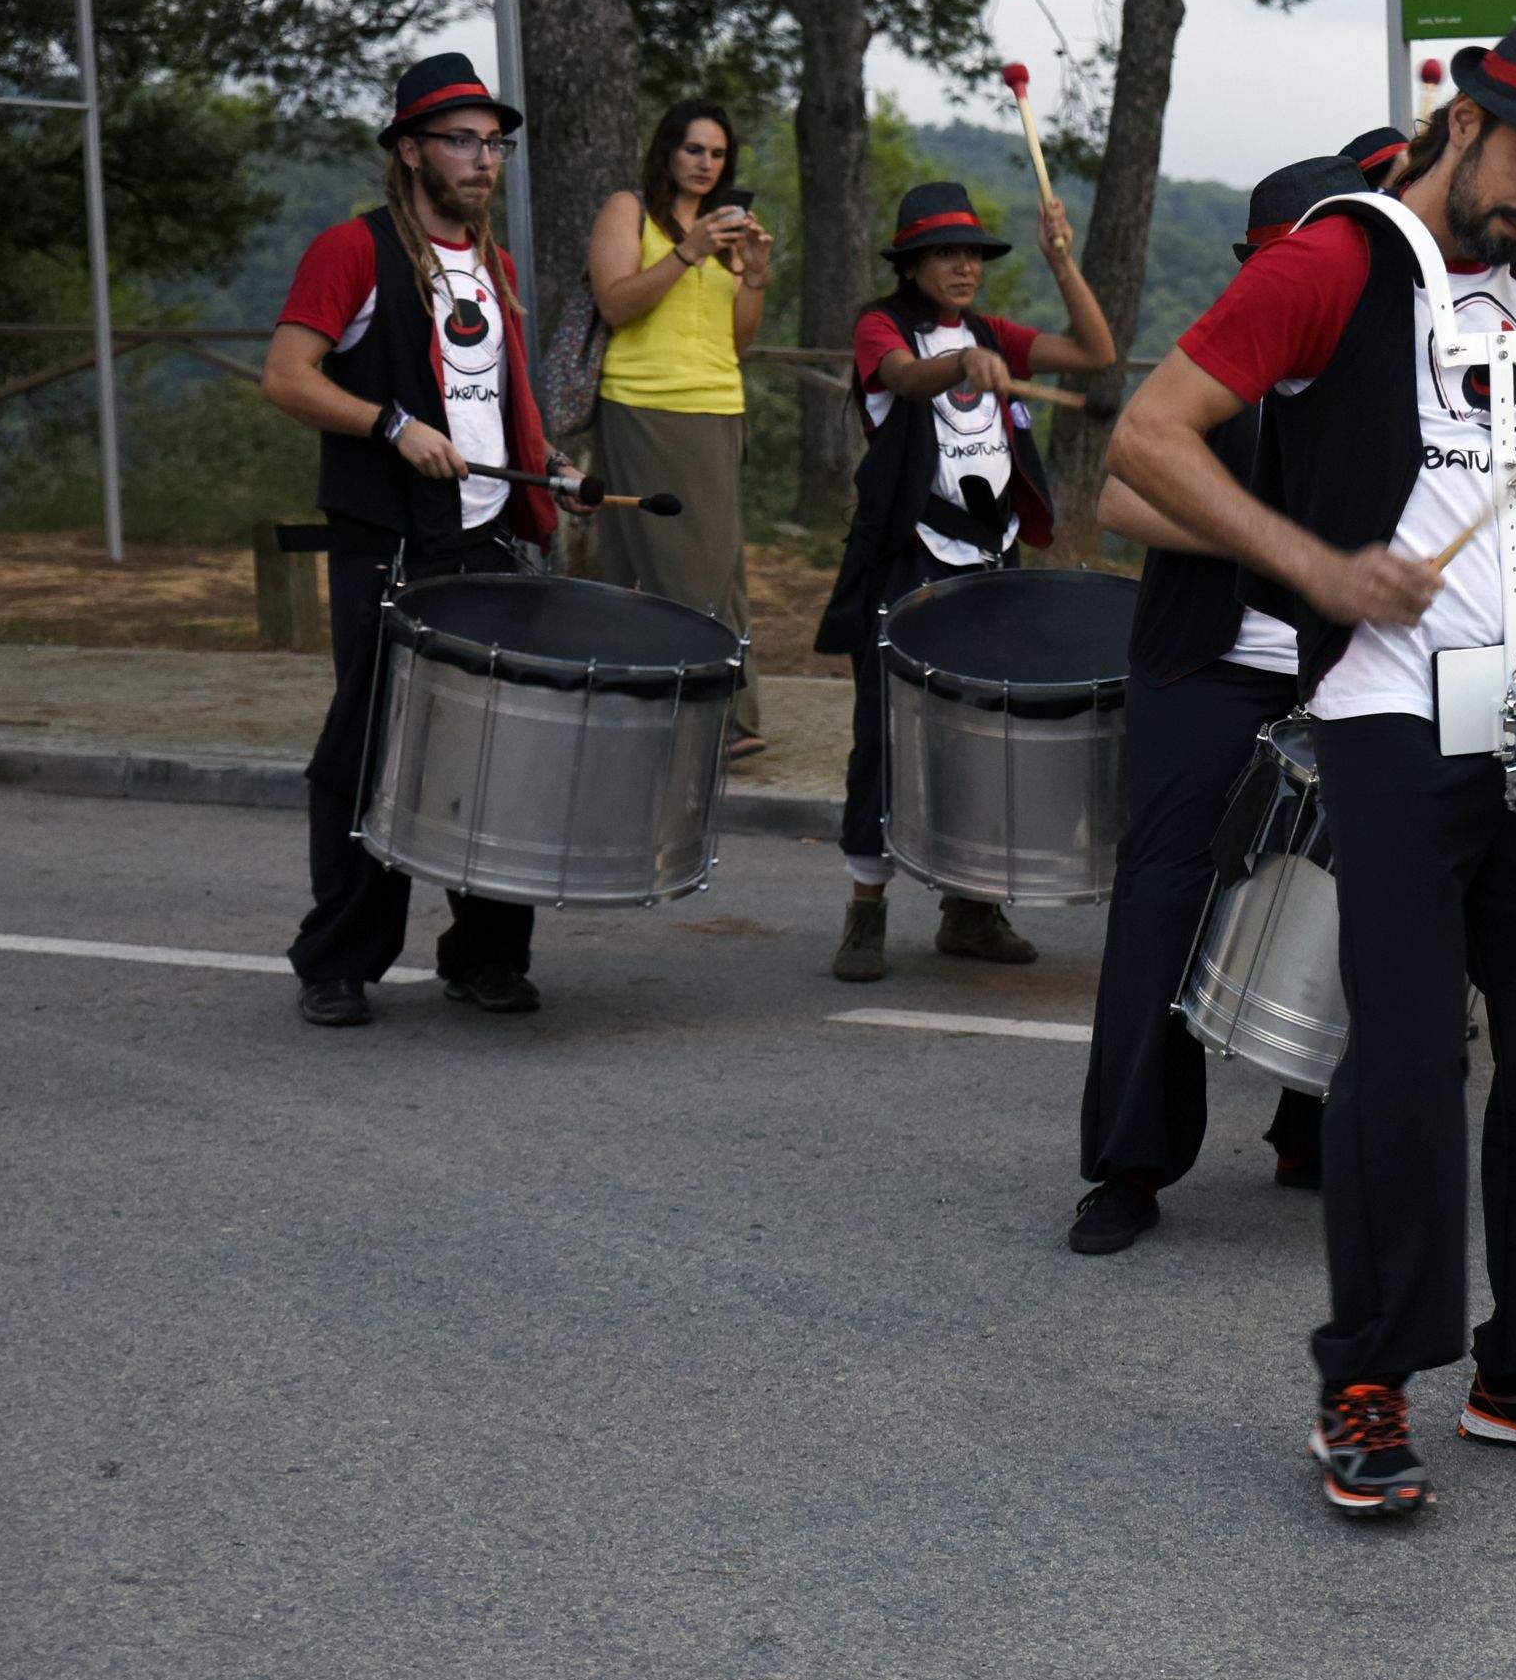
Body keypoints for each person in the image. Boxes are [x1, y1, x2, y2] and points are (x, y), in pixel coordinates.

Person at [1109, 6, 1516, 1520]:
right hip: (1387, 714)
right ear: (1462, 120)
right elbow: (1147, 439)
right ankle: (1366, 1378)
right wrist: (1313, 563)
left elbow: (1505, 460)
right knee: (1411, 1058)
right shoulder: (1333, 263)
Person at [1067, 158, 1351, 1256]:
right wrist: (1264, 541)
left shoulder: (1389, 372)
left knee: (1350, 905)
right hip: (1209, 662)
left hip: (1342, 673)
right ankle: (1129, 1165)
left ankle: (1312, 1126)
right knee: (1163, 896)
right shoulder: (1220, 354)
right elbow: (1116, 495)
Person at [259, 54, 578, 1026]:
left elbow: (490, 406)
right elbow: (287, 376)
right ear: (408, 150)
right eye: (461, 140)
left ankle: (486, 956)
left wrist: (551, 465)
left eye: (494, 143)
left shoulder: (495, 266)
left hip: (487, 543)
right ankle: (338, 961)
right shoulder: (352, 250)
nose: (483, 159)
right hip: (391, 545)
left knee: (495, 756)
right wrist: (389, 425)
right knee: (368, 755)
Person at [813, 180, 1120, 982]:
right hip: (911, 557)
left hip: (993, 560)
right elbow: (901, 377)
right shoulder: (882, 326)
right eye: (944, 253)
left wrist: (1062, 263)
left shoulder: (994, 334)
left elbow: (1096, 352)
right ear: (911, 264)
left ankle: (971, 907)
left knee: (991, 736)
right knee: (885, 735)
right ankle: (865, 910)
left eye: (973, 254)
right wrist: (957, 362)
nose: (963, 267)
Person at [586, 99, 774, 762]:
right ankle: (709, 719)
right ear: (667, 150)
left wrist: (753, 273)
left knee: (720, 568)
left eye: (718, 154)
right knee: (681, 570)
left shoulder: (725, 228)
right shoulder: (628, 210)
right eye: (694, 149)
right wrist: (688, 252)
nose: (706, 164)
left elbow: (737, 341)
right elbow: (616, 303)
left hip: (718, 405)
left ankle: (717, 715)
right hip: (647, 404)